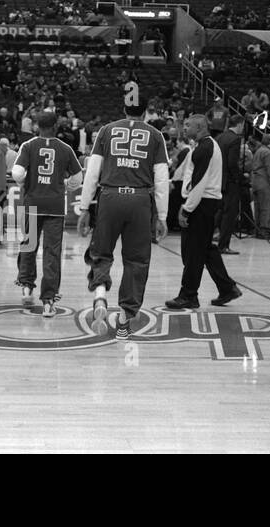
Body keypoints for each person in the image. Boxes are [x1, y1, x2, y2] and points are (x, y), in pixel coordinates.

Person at [76, 86, 170, 340]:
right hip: (140, 199)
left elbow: (92, 171)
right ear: (146, 110)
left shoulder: (106, 131)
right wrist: (162, 216)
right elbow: (162, 179)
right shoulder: (155, 135)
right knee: (137, 261)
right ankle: (125, 319)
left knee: (100, 252)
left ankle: (100, 297)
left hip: (109, 196)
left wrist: (85, 207)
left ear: (124, 107)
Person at [11, 111, 83, 317]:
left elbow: (16, 172)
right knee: (52, 253)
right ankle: (49, 300)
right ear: (55, 127)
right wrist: (67, 185)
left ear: (37, 126)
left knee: (29, 245)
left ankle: (26, 288)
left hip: (33, 203)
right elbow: (78, 176)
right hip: (55, 205)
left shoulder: (28, 146)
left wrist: (25, 182)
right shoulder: (65, 148)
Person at [166, 114, 241, 311]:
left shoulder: (206, 148)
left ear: (199, 127)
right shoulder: (204, 146)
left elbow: (198, 183)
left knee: (193, 253)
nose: (184, 129)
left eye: (187, 125)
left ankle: (188, 295)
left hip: (201, 204)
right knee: (206, 249)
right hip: (206, 203)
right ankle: (227, 288)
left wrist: (186, 209)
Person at [214, 114, 245, 255]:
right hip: (230, 182)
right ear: (239, 125)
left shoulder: (219, 137)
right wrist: (239, 178)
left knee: (219, 212)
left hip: (218, 180)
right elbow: (232, 163)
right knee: (229, 215)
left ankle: (206, 238)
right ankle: (223, 245)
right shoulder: (235, 139)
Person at [247, 134, 270, 240]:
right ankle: (265, 231)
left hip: (255, 182)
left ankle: (258, 231)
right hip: (264, 182)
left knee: (258, 208)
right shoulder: (268, 152)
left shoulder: (258, 151)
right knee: (267, 207)